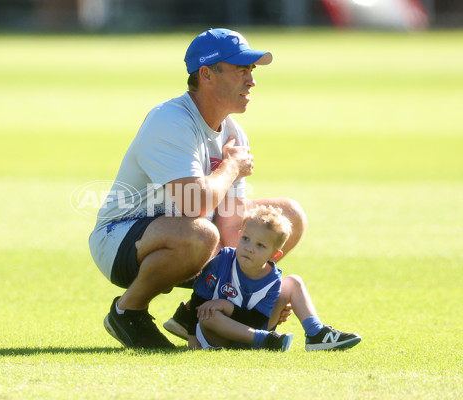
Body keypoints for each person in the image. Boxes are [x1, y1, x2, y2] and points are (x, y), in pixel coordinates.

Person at [89, 28, 307, 349]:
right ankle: (127, 312)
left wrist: (256, 292)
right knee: (201, 233)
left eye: (251, 71)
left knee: (288, 215)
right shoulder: (171, 120)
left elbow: (231, 225)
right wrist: (231, 167)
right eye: (240, 70)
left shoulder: (234, 133)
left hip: (189, 236)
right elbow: (194, 205)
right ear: (206, 74)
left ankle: (195, 315)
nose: (251, 81)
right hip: (120, 239)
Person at [186, 205, 362, 351]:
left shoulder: (272, 279)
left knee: (293, 282)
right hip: (220, 336)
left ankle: (316, 333)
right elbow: (197, 300)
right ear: (240, 236)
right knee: (208, 316)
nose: (249, 248)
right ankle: (269, 341)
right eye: (246, 239)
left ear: (274, 255)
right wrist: (192, 339)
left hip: (255, 332)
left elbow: (257, 320)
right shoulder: (222, 261)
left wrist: (227, 306)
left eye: (260, 245)